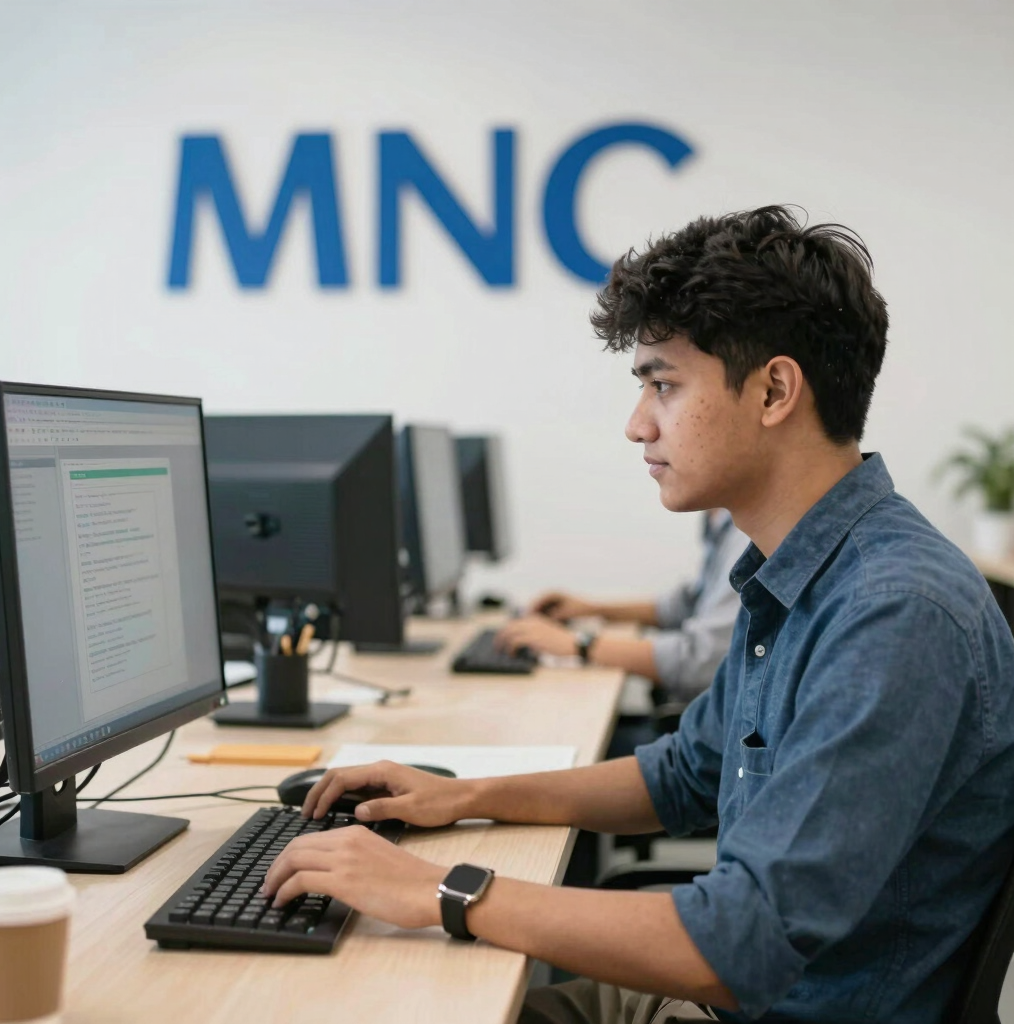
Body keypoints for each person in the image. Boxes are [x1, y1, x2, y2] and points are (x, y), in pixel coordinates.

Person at [260, 206, 1014, 1023]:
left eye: (664, 384)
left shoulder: (894, 612)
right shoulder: (804, 575)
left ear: (773, 390)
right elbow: (685, 774)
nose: (637, 424)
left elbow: (739, 942)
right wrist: (463, 794)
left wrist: (442, 889)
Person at [494, 509, 749, 704]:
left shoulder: (747, 534)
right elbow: (683, 605)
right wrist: (593, 609)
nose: (639, 436)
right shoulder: (721, 518)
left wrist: (577, 644)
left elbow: (699, 663)